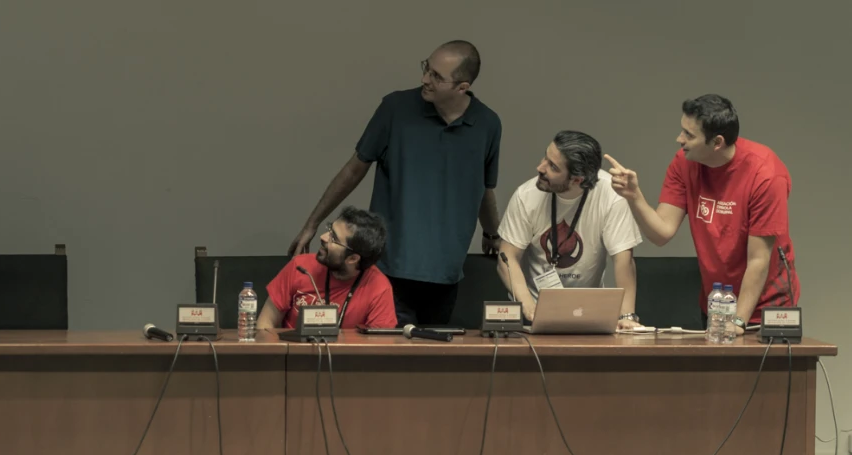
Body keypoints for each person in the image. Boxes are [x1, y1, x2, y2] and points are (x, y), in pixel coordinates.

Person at [286, 40, 503, 326]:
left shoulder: (487, 124)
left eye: (437, 76)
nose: (425, 78)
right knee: (390, 358)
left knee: (431, 362)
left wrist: (492, 234)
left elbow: (484, 188)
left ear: (462, 86)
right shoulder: (395, 108)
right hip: (389, 269)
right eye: (427, 67)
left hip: (446, 272)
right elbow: (354, 169)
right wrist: (312, 224)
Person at [605, 94, 799, 334]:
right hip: (717, 303)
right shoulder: (684, 162)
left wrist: (738, 321)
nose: (679, 139)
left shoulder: (766, 174)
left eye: (689, 135)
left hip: (765, 308)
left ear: (717, 142)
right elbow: (661, 233)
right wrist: (634, 196)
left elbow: (759, 259)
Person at [496, 130, 643, 328]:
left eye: (553, 167)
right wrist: (530, 308)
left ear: (577, 180)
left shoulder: (611, 194)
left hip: (589, 310)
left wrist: (627, 316)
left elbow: (623, 260)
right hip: (533, 305)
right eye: (545, 158)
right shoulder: (526, 195)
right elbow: (507, 258)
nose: (540, 168)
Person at [259, 206, 397, 329]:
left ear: (353, 258)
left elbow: (379, 347)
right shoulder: (300, 267)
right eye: (330, 229)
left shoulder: (379, 289)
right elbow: (264, 324)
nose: (323, 237)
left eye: (334, 239)